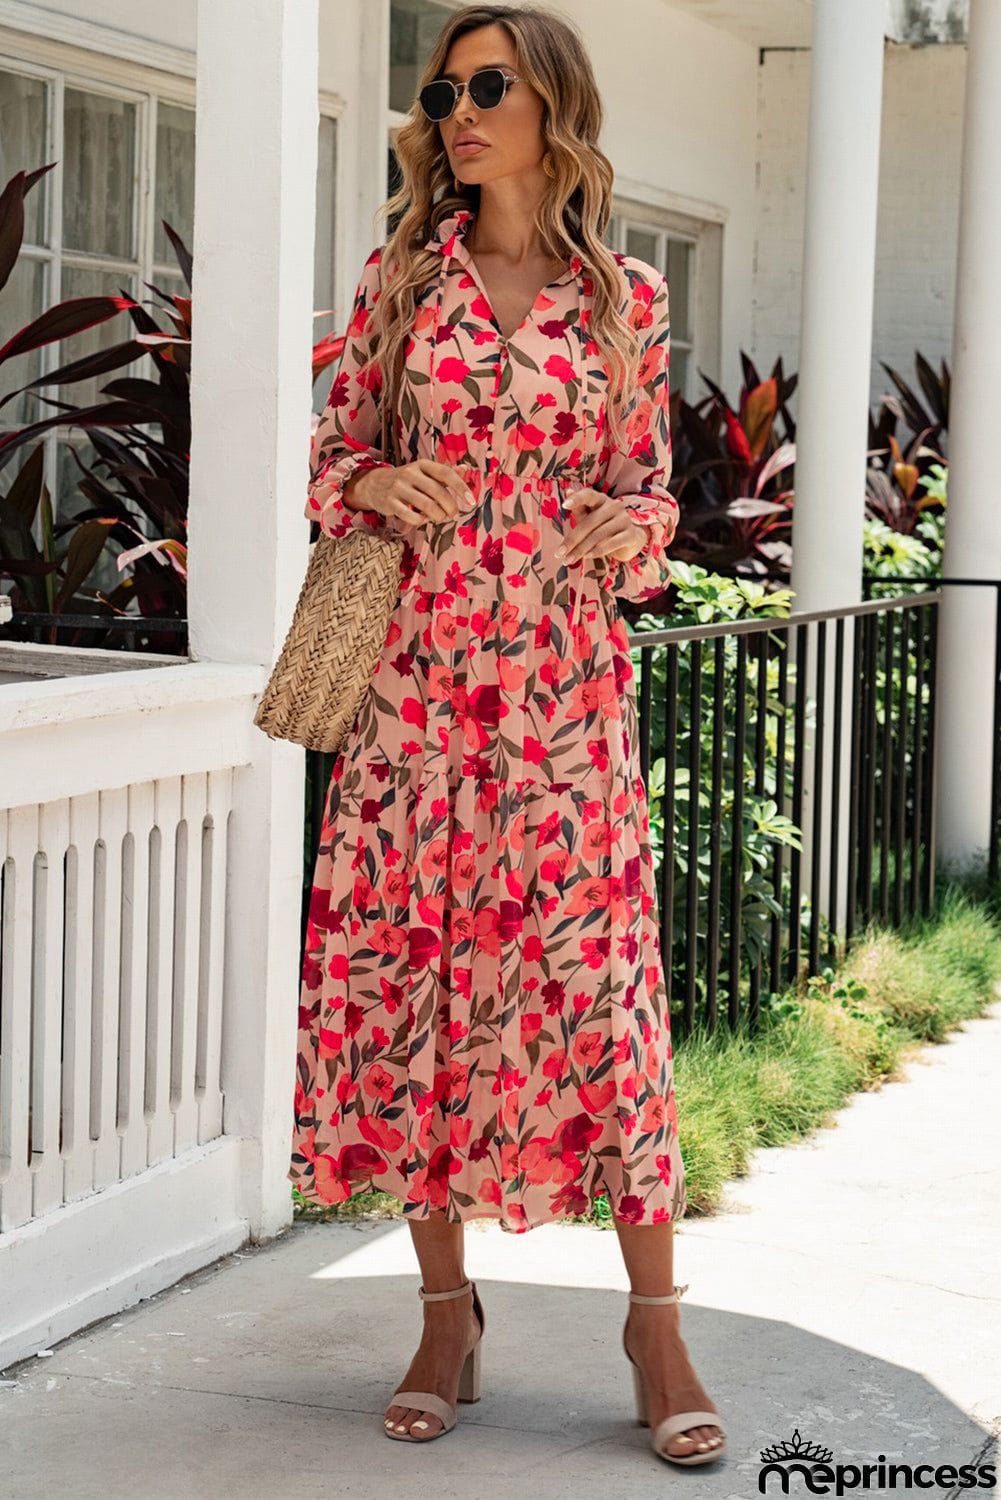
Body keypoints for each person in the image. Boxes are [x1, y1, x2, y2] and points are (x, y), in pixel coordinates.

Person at [289, 2, 725, 1468]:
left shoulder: (626, 301)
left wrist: (632, 520)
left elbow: (654, 495)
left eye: (488, 85)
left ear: (552, 107)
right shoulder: (403, 281)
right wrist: (368, 488)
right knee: (414, 986)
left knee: (598, 994)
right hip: (415, 699)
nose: (456, 109)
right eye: (442, 89)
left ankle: (654, 1321)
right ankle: (443, 1311)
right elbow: (334, 449)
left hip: (560, 703)